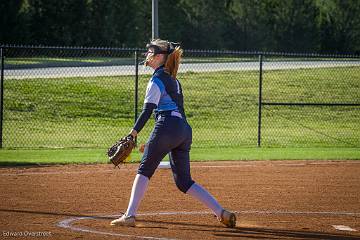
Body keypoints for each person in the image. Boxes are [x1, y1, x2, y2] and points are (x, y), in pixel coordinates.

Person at [110, 39, 236, 228]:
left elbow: (147, 111)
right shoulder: (173, 79)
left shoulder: (156, 80)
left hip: (167, 126)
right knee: (184, 182)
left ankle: (129, 216)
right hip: (183, 131)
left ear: (159, 57)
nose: (147, 56)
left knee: (144, 170)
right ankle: (222, 212)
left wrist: (133, 134)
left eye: (150, 52)